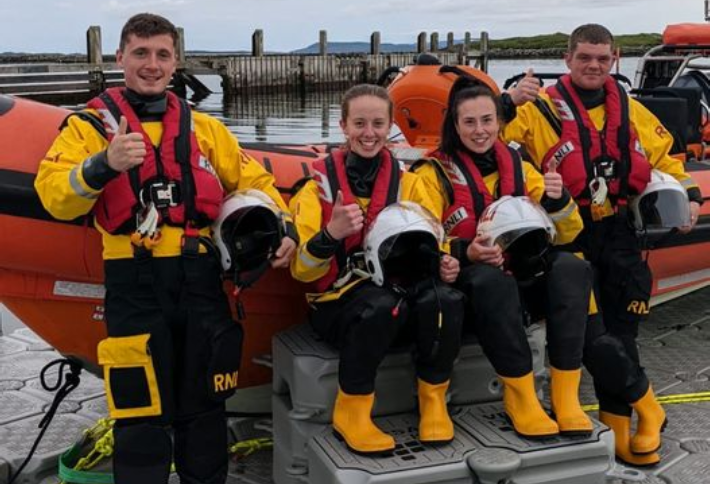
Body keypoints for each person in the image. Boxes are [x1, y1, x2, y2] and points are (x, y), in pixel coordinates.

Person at [34, 13, 297, 484]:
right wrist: (103, 166)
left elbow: (254, 180)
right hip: (133, 282)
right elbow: (54, 194)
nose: (151, 64)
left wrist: (286, 229)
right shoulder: (90, 128)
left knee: (205, 408)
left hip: (200, 281)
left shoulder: (204, 129)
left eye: (162, 54)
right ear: (120, 57)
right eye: (140, 53)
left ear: (175, 62)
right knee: (140, 411)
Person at [503, 23, 702, 465]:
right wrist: (509, 102)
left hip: (619, 233)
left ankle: (620, 428)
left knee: (623, 333)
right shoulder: (539, 111)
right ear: (567, 60)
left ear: (614, 59)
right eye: (584, 58)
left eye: (601, 58)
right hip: (566, 236)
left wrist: (688, 193)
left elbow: (664, 156)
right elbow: (486, 142)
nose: (593, 66)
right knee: (590, 339)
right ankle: (648, 411)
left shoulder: (629, 109)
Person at [413, 79, 593, 439]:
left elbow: (569, 232)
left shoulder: (520, 167)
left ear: (499, 122)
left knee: (572, 267)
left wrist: (557, 201)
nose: (480, 131)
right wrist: (467, 252)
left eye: (487, 120)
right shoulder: (430, 175)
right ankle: (521, 398)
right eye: (470, 122)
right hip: (470, 287)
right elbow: (420, 242)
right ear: (454, 124)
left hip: (519, 276)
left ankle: (565, 397)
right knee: (490, 279)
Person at [289, 84, 464, 454]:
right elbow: (301, 272)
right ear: (344, 126)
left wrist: (444, 262)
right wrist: (330, 234)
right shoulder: (316, 189)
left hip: (402, 290)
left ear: (390, 127)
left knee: (446, 299)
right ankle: (352, 412)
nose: (369, 133)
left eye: (378, 124)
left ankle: (432, 401)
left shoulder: (412, 184)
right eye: (360, 123)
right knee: (378, 305)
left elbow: (436, 239)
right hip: (340, 301)